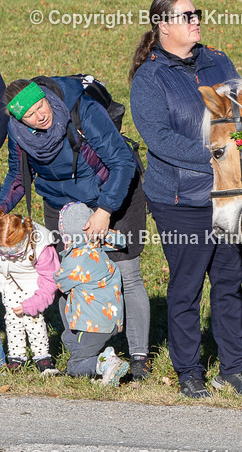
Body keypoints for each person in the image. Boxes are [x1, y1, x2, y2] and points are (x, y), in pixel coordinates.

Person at [129, 0, 242, 399]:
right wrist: (219, 156)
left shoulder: (218, 61)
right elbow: (159, 140)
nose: (196, 20)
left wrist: (237, 150)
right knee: (186, 287)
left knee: (229, 282)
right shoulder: (149, 78)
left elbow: (241, 112)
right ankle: (189, 371)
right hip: (180, 199)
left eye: (196, 13)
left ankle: (234, 369)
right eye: (186, 16)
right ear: (163, 26)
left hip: (228, 195)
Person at [0, 77, 150, 379]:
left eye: (40, 104)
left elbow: (121, 161)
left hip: (113, 192)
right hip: (61, 205)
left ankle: (139, 358)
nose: (40, 115)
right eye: (29, 114)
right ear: (18, 119)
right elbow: (18, 178)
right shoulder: (18, 133)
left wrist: (105, 210)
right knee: (67, 277)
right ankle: (86, 357)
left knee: (127, 273)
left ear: (44, 96)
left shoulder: (83, 109)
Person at [54, 202, 130, 385]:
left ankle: (105, 362)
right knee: (68, 337)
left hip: (92, 327)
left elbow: (59, 283)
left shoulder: (75, 260)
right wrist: (97, 233)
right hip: (110, 321)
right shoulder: (97, 247)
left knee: (74, 366)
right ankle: (106, 371)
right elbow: (120, 241)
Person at [0, 212, 59, 374]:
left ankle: (42, 356)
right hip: (9, 279)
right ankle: (16, 357)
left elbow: (50, 279)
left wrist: (32, 304)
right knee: (12, 319)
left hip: (34, 281)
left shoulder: (41, 245)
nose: (9, 255)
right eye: (4, 251)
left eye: (13, 251)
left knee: (33, 319)